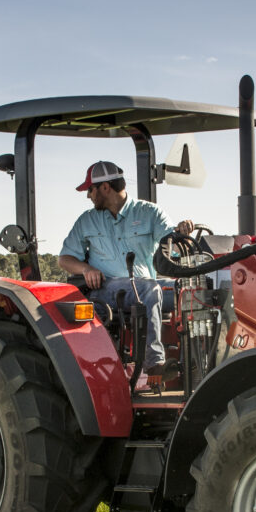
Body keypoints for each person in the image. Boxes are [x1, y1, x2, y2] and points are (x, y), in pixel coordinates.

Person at [56, 160, 194, 388]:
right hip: (107, 289)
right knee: (150, 289)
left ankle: (195, 367)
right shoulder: (87, 220)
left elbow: (173, 249)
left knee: (193, 293)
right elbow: (65, 258)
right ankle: (154, 364)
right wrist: (86, 269)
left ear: (105, 187)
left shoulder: (150, 212)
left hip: (145, 285)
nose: (88, 195)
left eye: (90, 189)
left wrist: (179, 233)